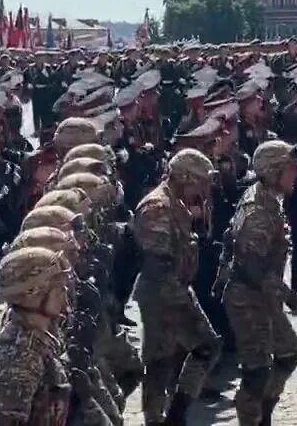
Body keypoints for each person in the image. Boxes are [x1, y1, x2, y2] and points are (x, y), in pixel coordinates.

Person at [132, 148, 222, 425]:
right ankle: (161, 418)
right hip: (162, 294)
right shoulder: (158, 207)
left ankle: (174, 415)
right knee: (161, 361)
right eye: (199, 182)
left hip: (177, 289)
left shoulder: (177, 205)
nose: (203, 190)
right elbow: (158, 263)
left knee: (198, 350)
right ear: (184, 178)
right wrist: (181, 302)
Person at [220, 141, 297, 426]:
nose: (295, 175)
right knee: (256, 370)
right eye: (290, 170)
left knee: (289, 353)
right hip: (247, 297)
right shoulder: (258, 211)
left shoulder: (269, 201)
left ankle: (263, 411)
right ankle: (251, 416)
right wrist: (288, 295)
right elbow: (252, 267)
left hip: (262, 295)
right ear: (273, 172)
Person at [0, 246, 73, 426]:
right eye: (59, 290)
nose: (65, 297)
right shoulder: (20, 352)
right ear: (33, 293)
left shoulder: (39, 337)